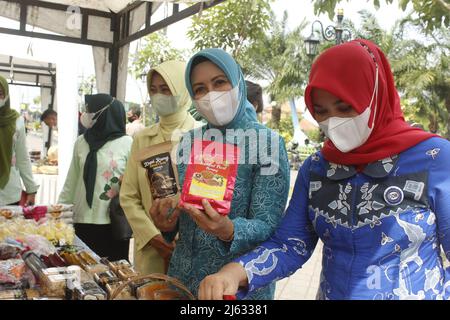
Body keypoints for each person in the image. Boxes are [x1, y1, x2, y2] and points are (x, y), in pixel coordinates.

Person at [198, 39, 450, 300]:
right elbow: (290, 244)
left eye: (344, 107)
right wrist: (235, 272)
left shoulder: (435, 159)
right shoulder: (317, 169)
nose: (335, 121)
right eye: (322, 112)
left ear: (374, 97)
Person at [149, 49, 290, 299]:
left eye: (219, 82)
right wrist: (167, 225)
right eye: (200, 88)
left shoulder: (266, 143)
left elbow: (269, 226)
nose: (210, 95)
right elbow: (186, 212)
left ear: (237, 82)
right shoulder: (189, 141)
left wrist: (229, 230)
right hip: (183, 281)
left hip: (235, 288)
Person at [120, 60, 200, 275]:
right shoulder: (142, 138)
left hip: (190, 250)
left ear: (183, 91)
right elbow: (128, 196)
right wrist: (153, 236)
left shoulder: (203, 137)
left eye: (166, 90)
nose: (158, 96)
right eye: (153, 90)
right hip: (151, 249)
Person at [58, 94, 132, 260]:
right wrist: (59, 212)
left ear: (105, 113)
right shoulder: (81, 142)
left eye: (90, 110)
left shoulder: (127, 143)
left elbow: (135, 184)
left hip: (113, 223)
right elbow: (72, 180)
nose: (86, 113)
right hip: (82, 220)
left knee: (113, 276)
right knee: (83, 272)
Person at [0, 76, 38, 206]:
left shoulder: (16, 121)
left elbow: (22, 157)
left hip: (9, 193)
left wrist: (31, 189)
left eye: (0, 93)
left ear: (6, 95)